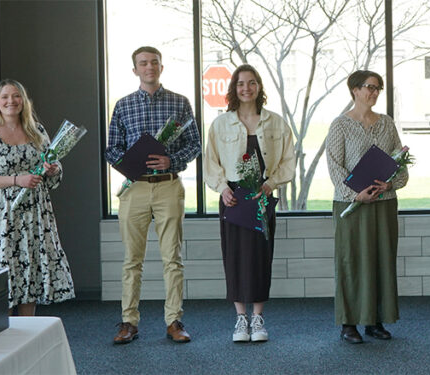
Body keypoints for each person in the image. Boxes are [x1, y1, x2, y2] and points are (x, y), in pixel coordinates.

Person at [104, 46, 201, 344]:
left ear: (161, 67)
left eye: (154, 62)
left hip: (169, 186)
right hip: (135, 188)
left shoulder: (179, 102)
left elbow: (194, 144)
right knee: (132, 260)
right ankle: (128, 322)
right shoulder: (123, 106)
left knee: (173, 258)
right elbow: (112, 148)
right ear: (135, 70)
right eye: (143, 63)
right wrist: (129, 165)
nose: (149, 67)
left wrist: (171, 160)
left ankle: (174, 321)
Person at [0, 79, 75, 316]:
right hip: (0, 217)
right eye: (5, 97)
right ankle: (2, 333)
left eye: (16, 96)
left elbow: (54, 169)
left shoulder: (37, 131)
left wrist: (53, 169)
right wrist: (17, 180)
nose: (11, 101)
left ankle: (28, 331)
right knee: (3, 278)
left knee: (31, 271)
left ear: (24, 101)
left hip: (35, 214)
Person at [204, 64, 296, 342]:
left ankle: (258, 319)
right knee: (234, 256)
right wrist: (222, 188)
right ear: (234, 88)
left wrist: (271, 184)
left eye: (252, 82)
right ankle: (240, 319)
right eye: (241, 83)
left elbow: (288, 160)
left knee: (260, 257)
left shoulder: (276, 122)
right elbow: (211, 162)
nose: (247, 88)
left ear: (259, 87)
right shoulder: (220, 124)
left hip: (261, 196)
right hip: (233, 198)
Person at [326, 70, 408, 344]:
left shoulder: (387, 123)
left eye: (377, 88)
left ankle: (375, 321)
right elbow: (334, 166)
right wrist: (355, 194)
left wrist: (391, 184)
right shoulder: (340, 125)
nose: (374, 92)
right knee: (351, 261)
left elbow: (399, 161)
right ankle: (349, 323)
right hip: (351, 205)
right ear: (355, 90)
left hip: (383, 204)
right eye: (369, 87)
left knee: (381, 259)